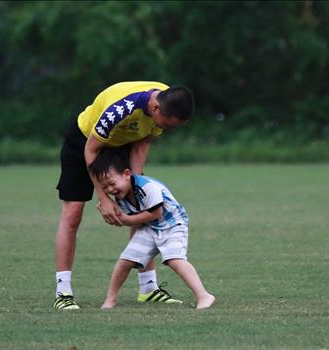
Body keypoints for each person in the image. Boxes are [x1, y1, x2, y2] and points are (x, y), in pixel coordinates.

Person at [54, 81, 194, 310]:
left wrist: (137, 186)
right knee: (73, 211)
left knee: (142, 208)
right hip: (85, 140)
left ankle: (148, 289)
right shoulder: (122, 109)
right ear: (156, 109)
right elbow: (91, 150)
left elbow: (143, 142)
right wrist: (104, 198)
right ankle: (63, 292)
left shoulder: (167, 100)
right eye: (167, 125)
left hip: (122, 143)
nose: (166, 129)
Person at [87, 150, 215, 309]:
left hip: (173, 224)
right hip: (150, 227)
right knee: (125, 261)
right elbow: (130, 216)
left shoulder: (146, 187)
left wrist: (126, 220)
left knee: (174, 259)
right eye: (105, 187)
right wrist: (112, 212)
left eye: (112, 184)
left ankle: (204, 296)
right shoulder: (121, 195)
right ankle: (110, 299)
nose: (110, 190)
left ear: (127, 174)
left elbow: (156, 213)